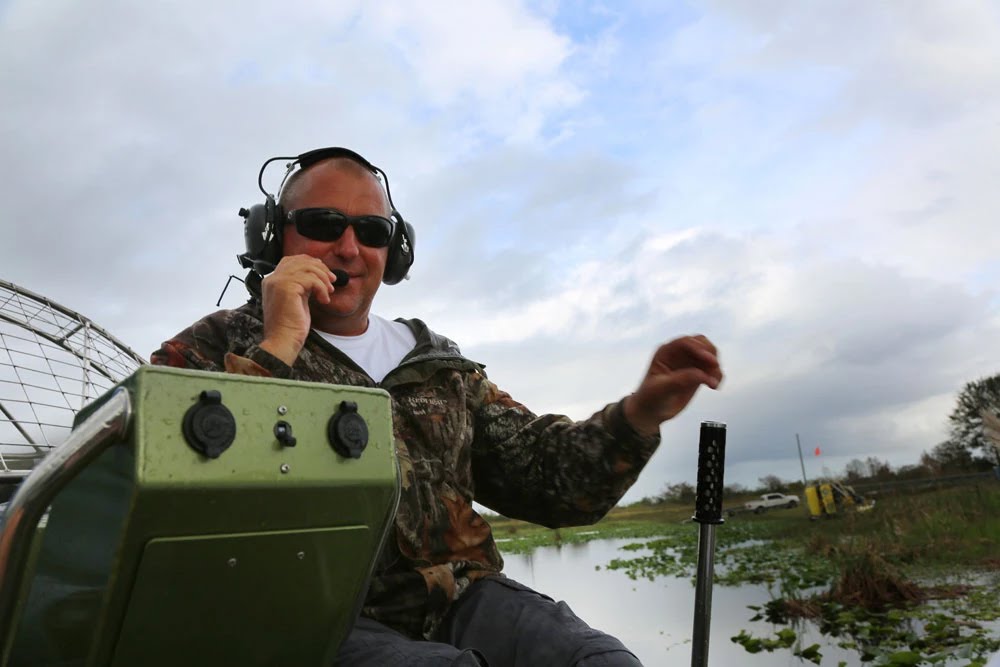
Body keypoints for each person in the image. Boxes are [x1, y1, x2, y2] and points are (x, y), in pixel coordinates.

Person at [151, 147, 723, 666]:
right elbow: (175, 491)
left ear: (393, 251)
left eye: (372, 231)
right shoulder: (214, 346)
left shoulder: (440, 365)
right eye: (324, 224)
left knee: (598, 662)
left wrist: (640, 414)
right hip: (306, 617)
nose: (349, 248)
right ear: (275, 238)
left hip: (463, 599)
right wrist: (276, 349)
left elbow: (551, 479)